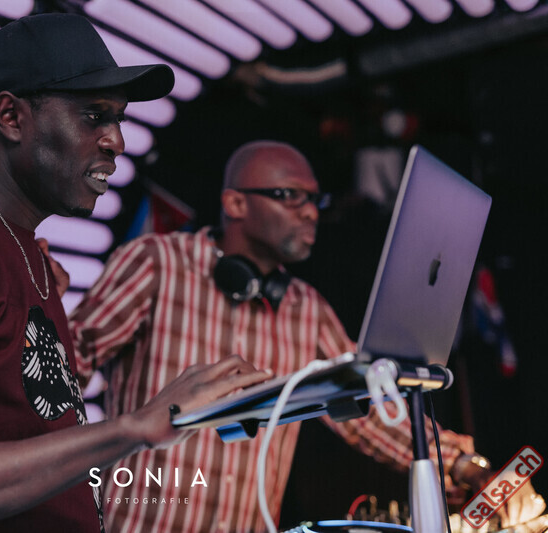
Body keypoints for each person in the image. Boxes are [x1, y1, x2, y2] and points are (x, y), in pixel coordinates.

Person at [0, 14, 272, 533]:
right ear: (11, 117)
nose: (116, 141)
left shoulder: (22, 251)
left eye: (118, 119)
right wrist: (134, 428)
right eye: (94, 116)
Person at [68, 140, 546, 532]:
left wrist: (464, 466)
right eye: (290, 196)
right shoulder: (157, 263)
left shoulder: (306, 308)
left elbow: (370, 406)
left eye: (314, 200)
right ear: (235, 203)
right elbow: (67, 370)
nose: (310, 212)